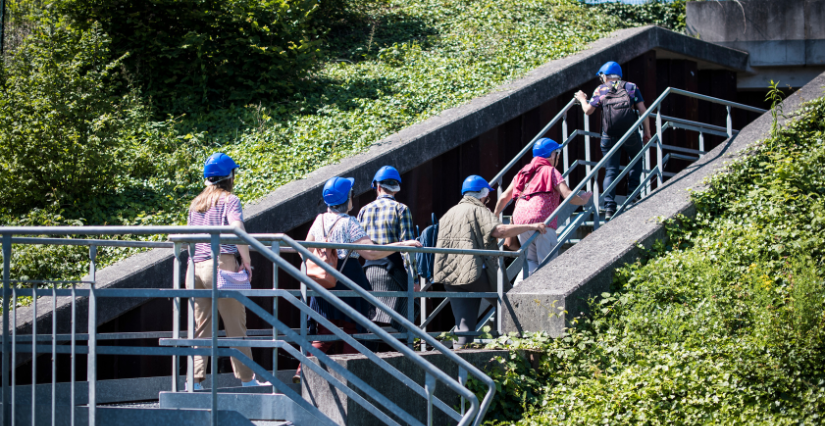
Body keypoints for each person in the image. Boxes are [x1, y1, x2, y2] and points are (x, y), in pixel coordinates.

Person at [295, 176, 421, 382]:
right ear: (348, 198)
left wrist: (322, 262)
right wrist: (402, 244)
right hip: (349, 277)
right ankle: (348, 373)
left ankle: (303, 369)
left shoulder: (319, 220)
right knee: (355, 328)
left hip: (324, 281)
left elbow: (303, 250)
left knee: (326, 329)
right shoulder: (350, 222)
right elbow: (371, 253)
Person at [433, 175, 547, 349]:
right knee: (510, 303)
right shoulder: (478, 210)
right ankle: (520, 349)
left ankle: (461, 370)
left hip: (450, 276)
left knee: (464, 326)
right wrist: (532, 226)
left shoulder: (451, 212)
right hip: (474, 273)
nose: (488, 200)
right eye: (488, 196)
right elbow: (499, 231)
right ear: (483, 193)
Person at [186, 152, 268, 390]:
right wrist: (246, 261)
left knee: (201, 326)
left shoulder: (196, 203)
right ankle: (247, 380)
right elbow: (237, 229)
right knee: (235, 324)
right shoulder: (229, 200)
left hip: (195, 267)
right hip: (220, 264)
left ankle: (195, 382)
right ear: (229, 176)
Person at [494, 138, 592, 282]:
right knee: (548, 264)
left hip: (520, 223)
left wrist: (494, 216)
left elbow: (503, 198)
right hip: (541, 221)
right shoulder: (550, 171)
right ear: (553, 155)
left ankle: (517, 293)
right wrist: (583, 199)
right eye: (557, 153)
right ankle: (548, 298)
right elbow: (568, 195)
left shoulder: (522, 172)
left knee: (531, 261)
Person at [575, 61, 652, 219]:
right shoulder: (631, 87)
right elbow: (643, 110)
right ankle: (633, 195)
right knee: (636, 159)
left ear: (604, 75)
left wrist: (583, 99)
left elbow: (588, 111)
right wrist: (647, 132)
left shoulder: (600, 89)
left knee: (611, 170)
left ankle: (609, 207)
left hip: (609, 135)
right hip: (630, 133)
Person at [357, 166, 418, 334]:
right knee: (401, 322)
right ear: (396, 188)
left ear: (377, 186)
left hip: (369, 271)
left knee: (374, 321)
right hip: (393, 272)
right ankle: (404, 357)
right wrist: (415, 278)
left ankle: (372, 358)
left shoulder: (364, 210)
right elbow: (408, 247)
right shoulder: (401, 209)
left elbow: (355, 247)